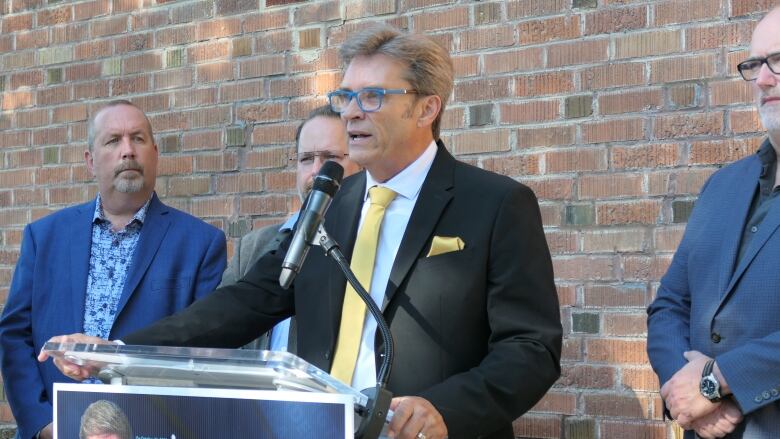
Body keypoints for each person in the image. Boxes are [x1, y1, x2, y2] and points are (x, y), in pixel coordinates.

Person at [41, 26, 562, 439]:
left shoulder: (495, 204)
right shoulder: (331, 206)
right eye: (345, 97)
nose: (353, 111)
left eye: (373, 96)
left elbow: (531, 348)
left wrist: (444, 410)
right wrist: (118, 349)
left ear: (428, 107)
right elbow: (248, 301)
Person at [1, 100, 227, 439]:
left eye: (137, 139)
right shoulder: (44, 238)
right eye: (113, 140)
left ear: (155, 152)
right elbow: (14, 336)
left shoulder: (200, 244)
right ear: (90, 160)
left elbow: (206, 352)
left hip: (151, 431)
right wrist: (45, 425)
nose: (128, 151)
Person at [647, 7, 780, 438]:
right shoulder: (722, 186)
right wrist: (685, 394)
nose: (762, 79)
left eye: (779, 60)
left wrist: (717, 381)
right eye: (755, 64)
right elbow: (669, 304)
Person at [218, 105, 360, 353]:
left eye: (331, 159)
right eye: (306, 159)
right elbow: (218, 330)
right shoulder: (253, 247)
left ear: (361, 165)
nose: (316, 171)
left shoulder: (367, 246)